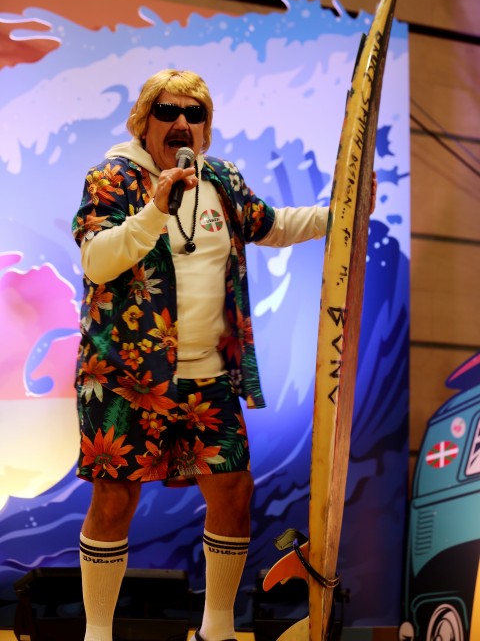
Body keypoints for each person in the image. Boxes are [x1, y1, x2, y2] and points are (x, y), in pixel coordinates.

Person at [72, 68, 376, 641]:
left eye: (195, 114)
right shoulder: (111, 178)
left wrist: (343, 213)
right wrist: (156, 209)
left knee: (234, 489)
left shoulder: (223, 180)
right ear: (142, 121)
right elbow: (97, 261)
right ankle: (97, 633)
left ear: (206, 128)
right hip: (126, 375)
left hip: (208, 376)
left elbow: (272, 225)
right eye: (167, 111)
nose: (181, 123)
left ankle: (216, 631)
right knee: (115, 497)